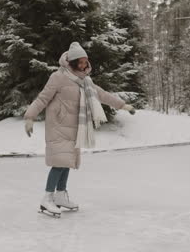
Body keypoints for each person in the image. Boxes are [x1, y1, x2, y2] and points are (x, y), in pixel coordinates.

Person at [24, 42, 136, 218]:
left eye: (86, 61)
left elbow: (103, 95)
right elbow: (42, 98)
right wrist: (29, 117)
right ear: (73, 61)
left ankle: (60, 195)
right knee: (59, 162)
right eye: (81, 62)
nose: (84, 65)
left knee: (67, 161)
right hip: (58, 125)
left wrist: (123, 105)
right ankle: (47, 198)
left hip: (75, 126)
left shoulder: (85, 81)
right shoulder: (58, 77)